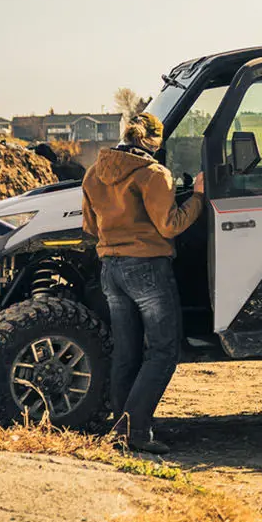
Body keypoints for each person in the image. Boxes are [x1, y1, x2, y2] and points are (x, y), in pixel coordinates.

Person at [80, 112, 203, 454]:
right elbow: (169, 225)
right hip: (147, 267)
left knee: (127, 352)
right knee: (164, 350)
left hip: (111, 270)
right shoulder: (153, 175)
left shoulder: (93, 173)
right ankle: (134, 432)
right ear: (155, 142)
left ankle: (122, 428)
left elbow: (90, 227)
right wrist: (197, 198)